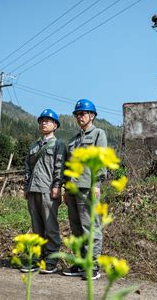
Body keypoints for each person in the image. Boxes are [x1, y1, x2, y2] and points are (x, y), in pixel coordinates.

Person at [63, 99, 107, 280]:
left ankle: (93, 265)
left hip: (88, 187)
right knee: (76, 228)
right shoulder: (73, 140)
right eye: (77, 114)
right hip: (73, 187)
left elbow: (101, 159)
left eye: (83, 113)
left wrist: (97, 184)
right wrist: (66, 188)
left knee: (90, 227)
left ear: (92, 115)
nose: (79, 117)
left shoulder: (98, 134)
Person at [23, 108, 67, 274]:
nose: (44, 123)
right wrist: (26, 186)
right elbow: (27, 167)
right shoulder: (34, 146)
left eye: (48, 121)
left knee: (50, 225)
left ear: (55, 125)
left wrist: (57, 186)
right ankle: (37, 258)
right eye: (42, 120)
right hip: (33, 189)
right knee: (36, 226)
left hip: (48, 189)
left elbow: (59, 167)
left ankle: (51, 259)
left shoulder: (58, 145)